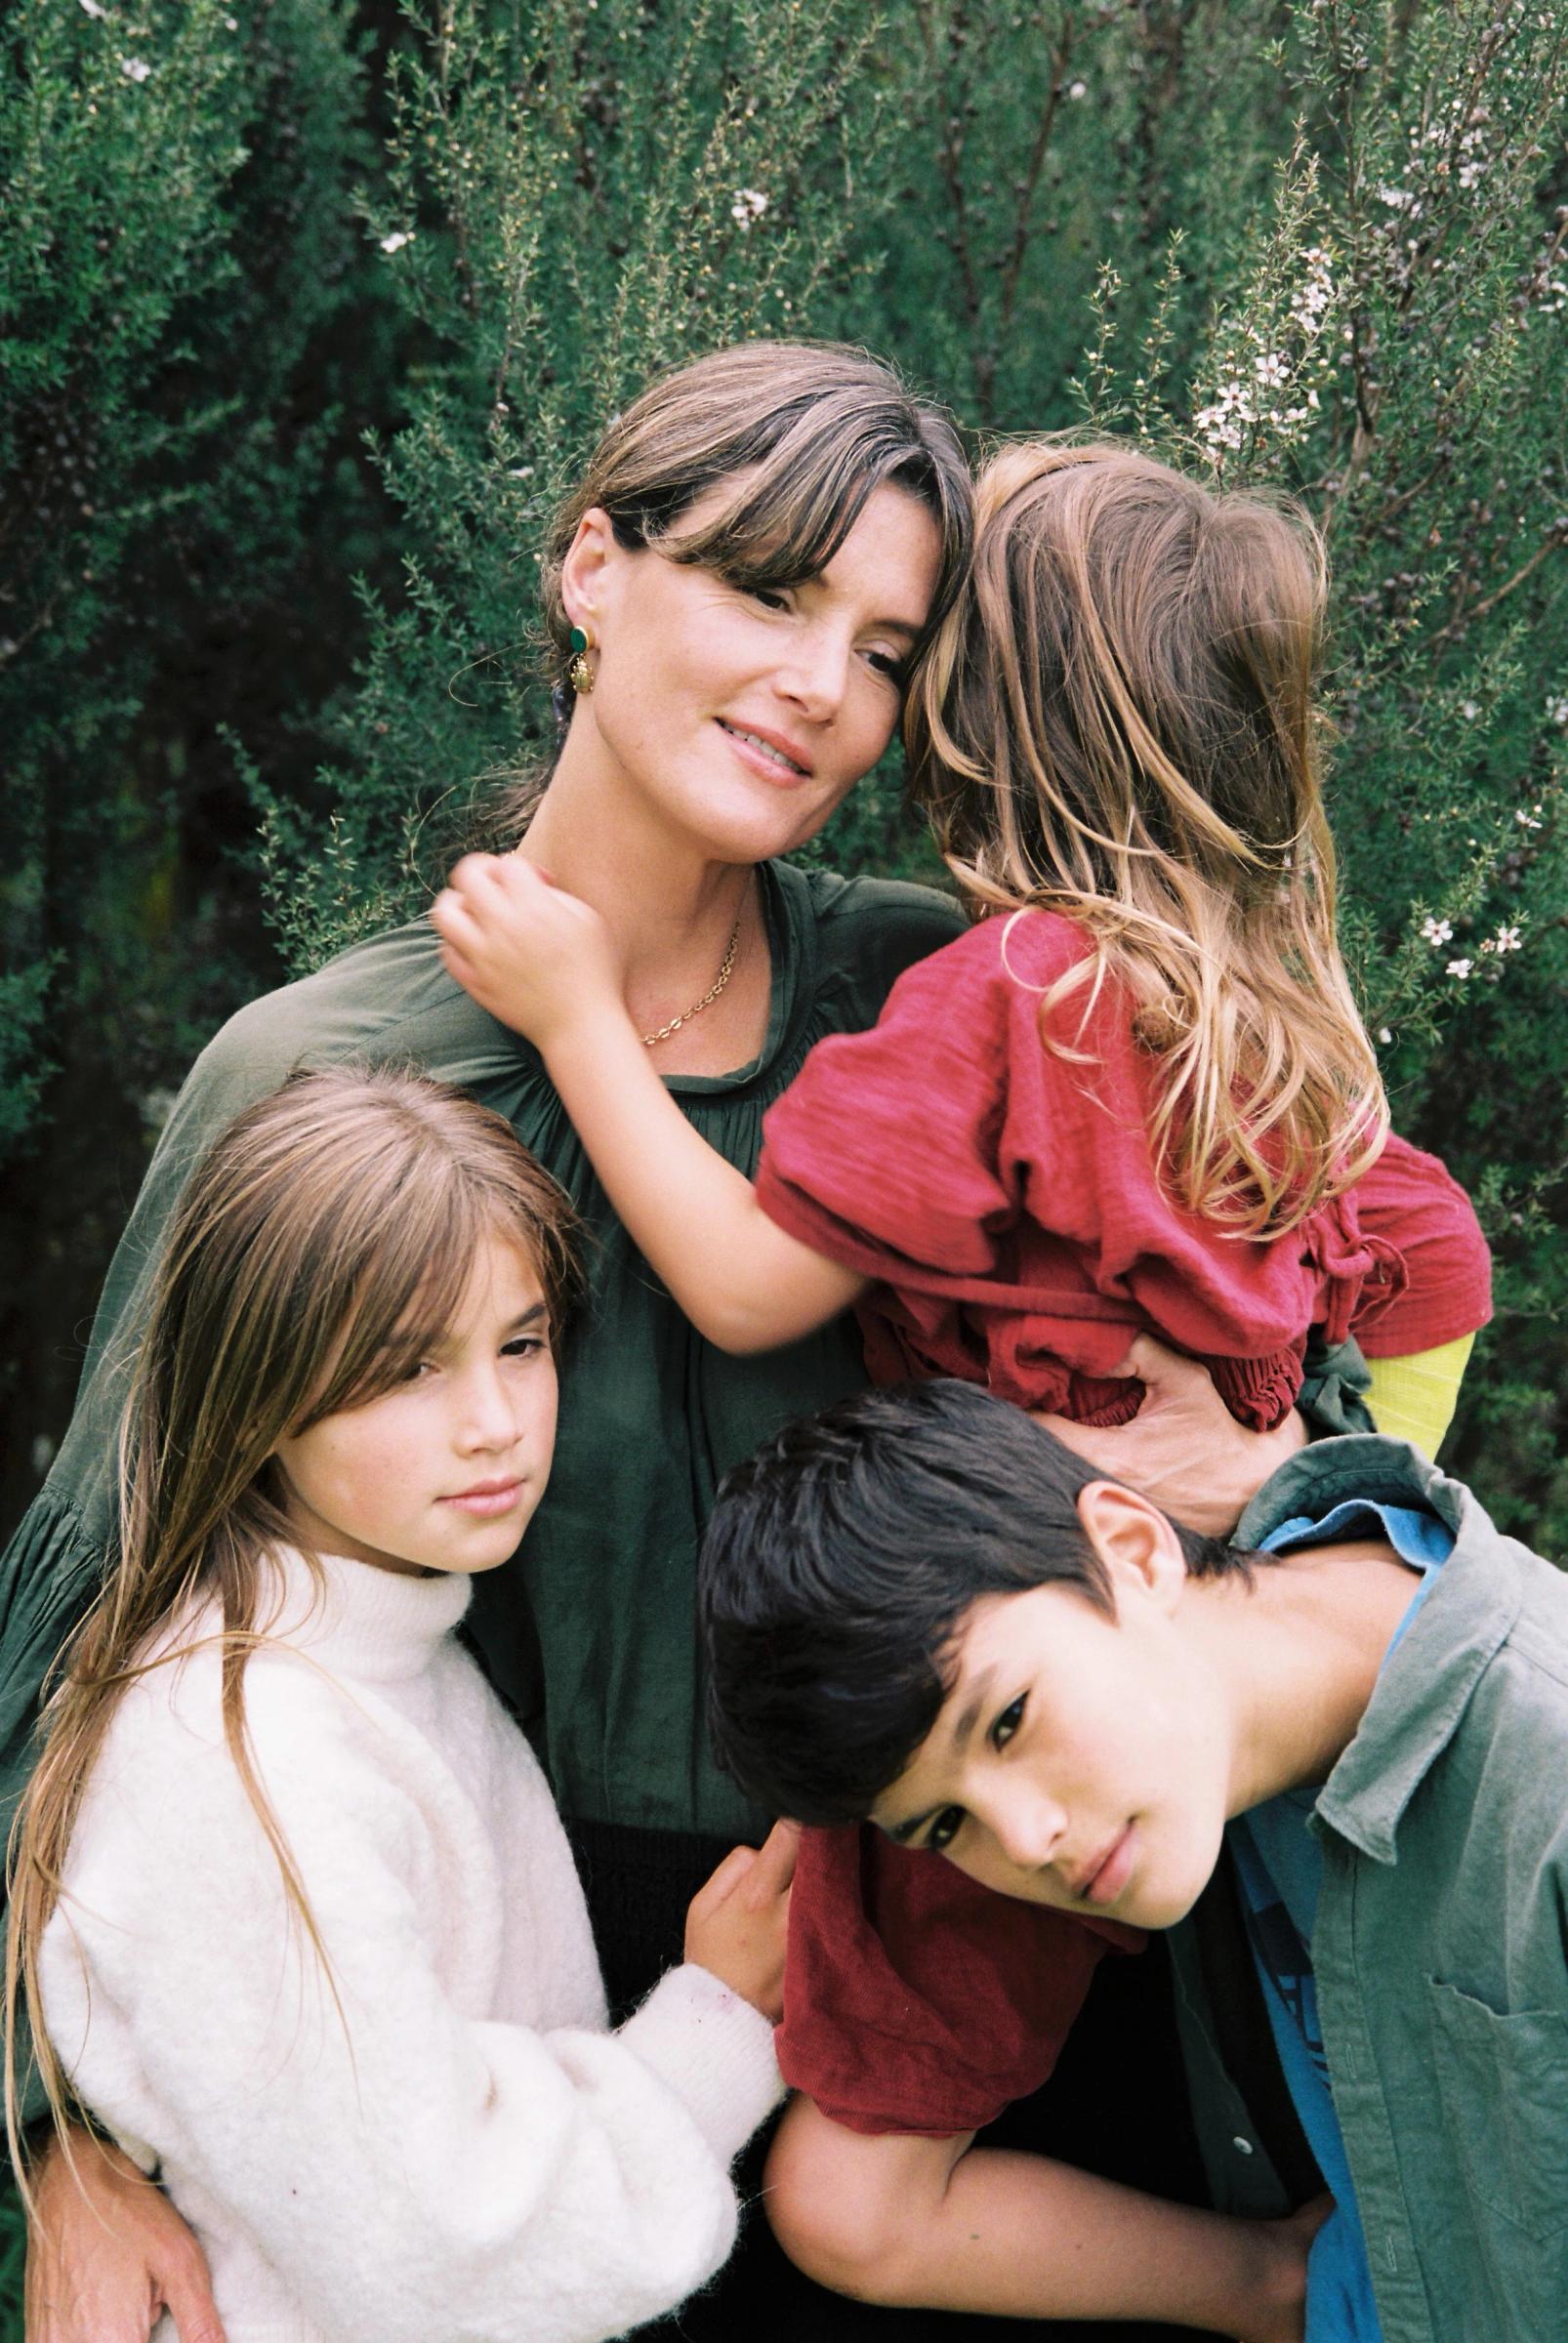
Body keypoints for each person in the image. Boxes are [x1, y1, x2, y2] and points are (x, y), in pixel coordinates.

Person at [0, 356, 1433, 2343]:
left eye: (886, 652)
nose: (818, 687)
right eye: (766, 593)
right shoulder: (327, 1075)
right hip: (530, 2024)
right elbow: (105, 1609)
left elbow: (1290, 1368)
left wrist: (1242, 1467)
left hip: (986, 1946)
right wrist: (62, 2134)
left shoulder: (946, 999)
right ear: (592, 568)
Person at [427, 432, 1491, 2281]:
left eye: (901, 659)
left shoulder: (999, 1001)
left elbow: (748, 1287)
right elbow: (1435, 1265)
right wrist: (1318, 1507)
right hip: (1200, 1687)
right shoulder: (1265, 1030)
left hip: (999, 1684)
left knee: (851, 2205)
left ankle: (1264, 2290)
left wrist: (578, 1017)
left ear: (969, 728)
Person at [7, 1066, 796, 2343]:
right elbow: (444, 2255)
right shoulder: (244, 1756)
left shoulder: (385, 1647)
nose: (494, 1424)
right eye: (406, 1368)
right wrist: (721, 2022)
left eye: (520, 1344)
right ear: (254, 1391)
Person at [697, 1378, 1565, 2343]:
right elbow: (862, 2212)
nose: (1022, 1842)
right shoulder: (1181, 1728)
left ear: (1135, 1548)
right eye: (943, 1826)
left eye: (1008, 1720)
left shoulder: (1543, 1788)